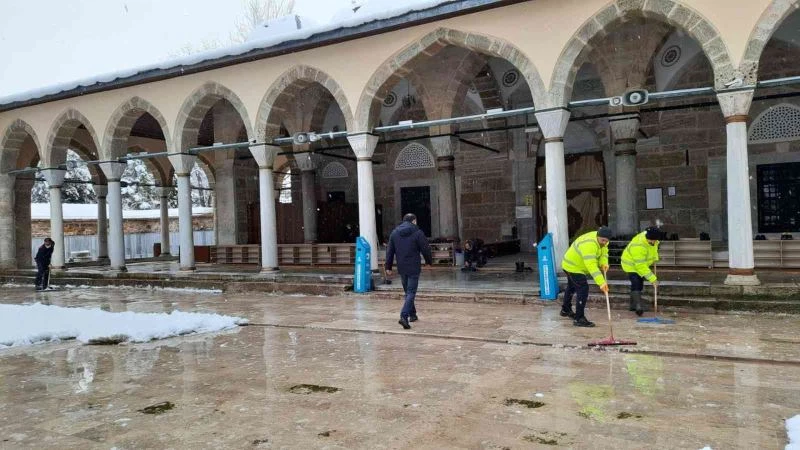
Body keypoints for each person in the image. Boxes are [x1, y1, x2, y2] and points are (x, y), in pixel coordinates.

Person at [385, 213, 432, 330]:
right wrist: (428, 261)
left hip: (402, 267)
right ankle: (404, 316)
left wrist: (388, 267)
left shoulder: (395, 233)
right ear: (414, 221)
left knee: (408, 292)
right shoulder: (418, 232)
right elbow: (425, 248)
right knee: (411, 292)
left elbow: (390, 251)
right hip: (414, 267)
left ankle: (413, 315)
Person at [560, 226, 613, 327]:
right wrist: (601, 283)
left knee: (571, 287)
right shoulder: (589, 244)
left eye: (607, 241)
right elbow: (592, 266)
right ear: (598, 236)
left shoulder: (603, 240)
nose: (604, 243)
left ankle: (565, 309)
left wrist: (604, 263)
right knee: (583, 288)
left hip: (576, 265)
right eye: (603, 240)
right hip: (572, 266)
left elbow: (604, 253)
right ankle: (579, 318)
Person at [621, 226, 663, 316]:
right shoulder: (639, 245)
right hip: (631, 264)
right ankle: (638, 306)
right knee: (636, 282)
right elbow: (640, 265)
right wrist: (652, 279)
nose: (653, 242)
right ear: (647, 237)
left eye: (655, 241)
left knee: (640, 283)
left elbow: (653, 249)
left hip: (641, 264)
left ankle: (633, 305)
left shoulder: (653, 239)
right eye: (651, 240)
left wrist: (655, 257)